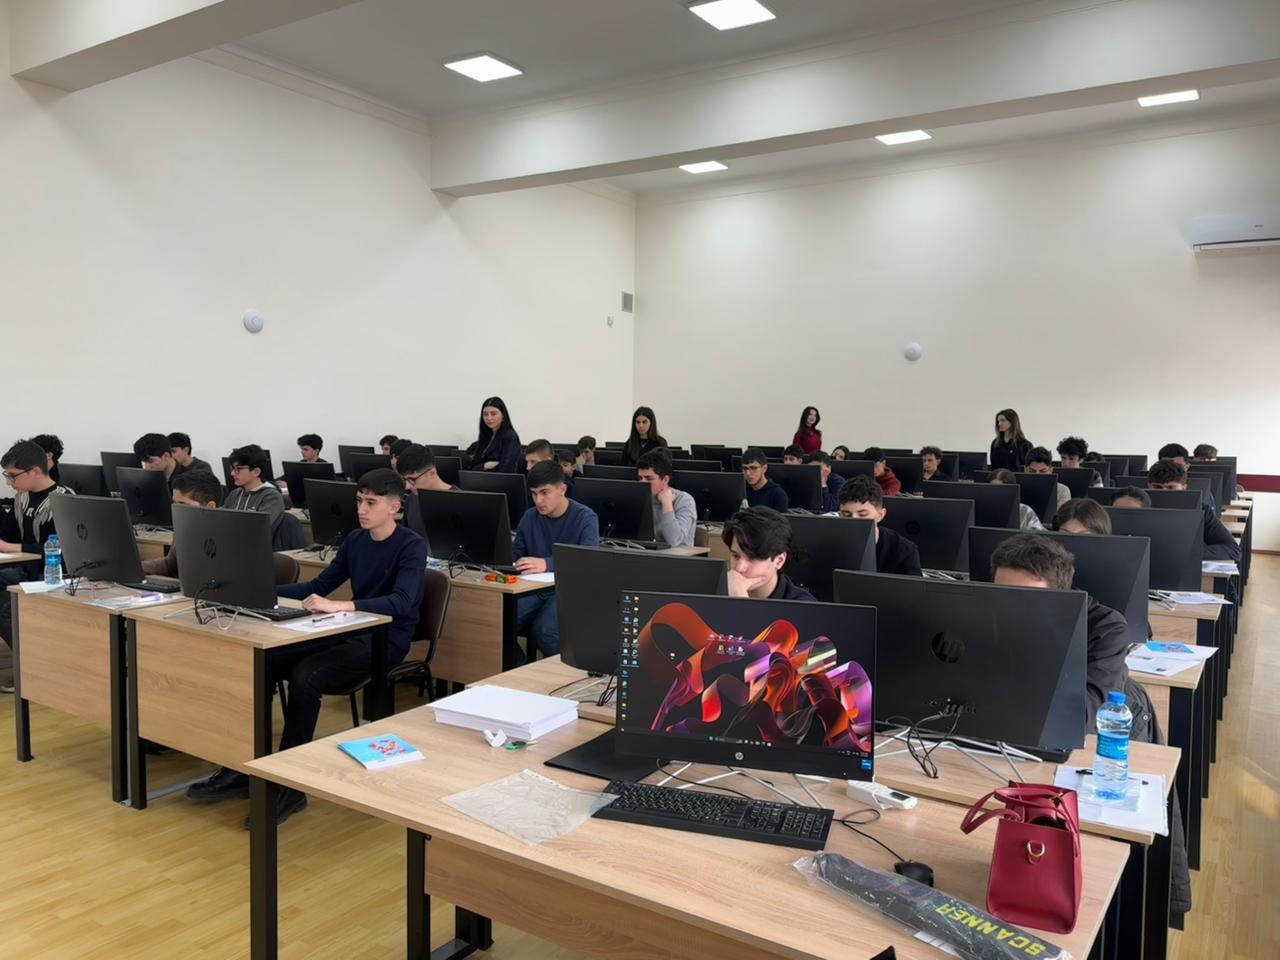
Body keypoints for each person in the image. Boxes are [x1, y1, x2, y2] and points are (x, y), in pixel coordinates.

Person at [188, 469, 428, 824]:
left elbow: (403, 601)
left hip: (385, 639)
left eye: (371, 503)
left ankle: (290, 786)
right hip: (348, 630)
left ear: (394, 507)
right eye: (359, 501)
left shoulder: (411, 545)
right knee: (263, 661)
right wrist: (255, 590)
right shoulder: (356, 540)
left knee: (307, 674)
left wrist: (342, 605)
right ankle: (243, 767)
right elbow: (318, 586)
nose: (361, 509)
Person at [990, 533, 1128, 731]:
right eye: (1001, 595)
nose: (1011, 608)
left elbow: (1084, 717)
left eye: (1025, 599)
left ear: (1060, 596)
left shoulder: (1105, 628)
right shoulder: (986, 618)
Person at [511, 461, 600, 658]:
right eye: (534, 494)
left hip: (569, 589)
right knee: (500, 622)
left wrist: (547, 564)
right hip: (532, 588)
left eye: (545, 493)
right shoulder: (529, 517)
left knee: (545, 631)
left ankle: (568, 672)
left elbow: (588, 560)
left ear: (562, 489)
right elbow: (516, 554)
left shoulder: (585, 517)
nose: (538, 500)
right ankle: (522, 671)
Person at [0, 441, 75, 670]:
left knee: (4, 606)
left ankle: (33, 667)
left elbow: (62, 549)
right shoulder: (22, 498)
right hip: (25, 570)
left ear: (35, 471)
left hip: (53, 575)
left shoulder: (64, 500)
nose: (9, 482)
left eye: (13, 476)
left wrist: (10, 547)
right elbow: (8, 536)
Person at [1148, 460, 1241, 561]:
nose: (1164, 493)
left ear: (1184, 488)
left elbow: (1233, 550)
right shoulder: (1138, 508)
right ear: (1148, 486)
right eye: (1157, 487)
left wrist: (1187, 553)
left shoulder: (1201, 510)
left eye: (1171, 487)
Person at [140, 471, 224, 577]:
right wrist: (136, 569)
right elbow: (170, 566)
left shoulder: (227, 536)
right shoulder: (183, 527)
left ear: (210, 507)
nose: (176, 511)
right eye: (174, 504)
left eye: (182, 505)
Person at [721, 506, 814, 600]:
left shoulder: (805, 606)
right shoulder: (716, 591)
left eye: (752, 558)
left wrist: (738, 602)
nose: (739, 568)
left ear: (779, 561)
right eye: (736, 556)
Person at [836, 476, 922, 576]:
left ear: (880, 515)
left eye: (863, 515)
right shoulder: (830, 545)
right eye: (846, 515)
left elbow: (913, 586)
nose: (854, 521)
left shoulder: (904, 550)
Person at [636, 450, 697, 548]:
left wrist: (667, 504)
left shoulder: (685, 500)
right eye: (640, 478)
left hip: (678, 555)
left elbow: (674, 540)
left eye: (649, 478)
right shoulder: (640, 499)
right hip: (647, 553)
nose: (642, 482)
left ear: (665, 480)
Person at [395, 444, 455, 538]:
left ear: (432, 473)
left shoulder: (461, 502)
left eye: (412, 479)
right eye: (405, 480)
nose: (407, 486)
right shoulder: (411, 500)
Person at [223, 444, 284, 534]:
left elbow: (258, 529)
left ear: (256, 472)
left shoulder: (271, 497)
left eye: (237, 469)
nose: (232, 473)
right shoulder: (235, 494)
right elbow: (221, 519)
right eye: (232, 468)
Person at [469, 397, 521, 473]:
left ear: (503, 416)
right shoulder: (486, 435)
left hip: (499, 480)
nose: (489, 418)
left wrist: (480, 468)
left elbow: (506, 470)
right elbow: (472, 467)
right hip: (480, 478)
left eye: (493, 414)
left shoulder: (510, 436)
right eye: (485, 414)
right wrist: (485, 466)